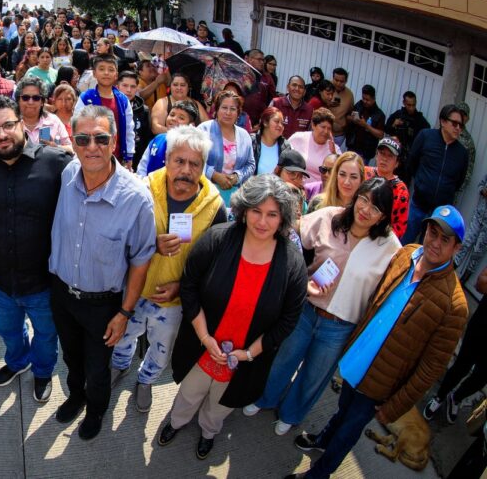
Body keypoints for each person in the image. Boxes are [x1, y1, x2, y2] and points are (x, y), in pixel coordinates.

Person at [289, 206, 469, 479]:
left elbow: (431, 368)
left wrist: (395, 405)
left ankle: (319, 473)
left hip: (382, 383)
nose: (435, 242)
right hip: (358, 359)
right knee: (343, 410)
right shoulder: (407, 254)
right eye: (433, 232)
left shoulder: (455, 305)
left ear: (457, 248)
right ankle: (323, 439)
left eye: (445, 239)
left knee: (349, 430)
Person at [157, 175, 306, 459]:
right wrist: (204, 336)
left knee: (221, 403)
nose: (262, 221)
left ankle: (209, 431)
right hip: (202, 346)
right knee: (189, 392)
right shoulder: (218, 239)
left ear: (283, 218)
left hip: (245, 359)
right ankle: (177, 421)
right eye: (256, 211)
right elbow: (189, 286)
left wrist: (248, 354)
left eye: (272, 214)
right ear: (244, 210)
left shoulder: (292, 264)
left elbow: (288, 321)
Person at [246, 178, 400, 435]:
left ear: (383, 216)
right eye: (363, 199)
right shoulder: (330, 217)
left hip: (340, 326)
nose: (365, 209)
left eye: (375, 208)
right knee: (283, 360)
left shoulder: (390, 247)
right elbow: (292, 233)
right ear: (356, 197)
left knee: (314, 376)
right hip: (306, 310)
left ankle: (291, 414)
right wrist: (298, 278)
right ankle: (264, 398)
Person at [49, 105, 156, 440]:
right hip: (62, 294)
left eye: (100, 138)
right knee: (71, 358)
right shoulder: (68, 174)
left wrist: (124, 313)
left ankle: (95, 410)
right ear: (73, 142)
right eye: (82, 139)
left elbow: (141, 260)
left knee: (97, 370)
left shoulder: (136, 198)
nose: (91, 147)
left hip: (103, 305)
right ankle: (76, 396)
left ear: (114, 142)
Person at [111, 126, 227, 413]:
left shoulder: (215, 207)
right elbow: (119, 236)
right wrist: (152, 244)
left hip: (174, 302)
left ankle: (146, 380)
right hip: (134, 290)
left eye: (194, 164)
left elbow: (213, 263)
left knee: (161, 350)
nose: (186, 170)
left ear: (203, 166)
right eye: (179, 161)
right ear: (167, 159)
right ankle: (120, 366)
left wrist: (182, 286)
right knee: (123, 337)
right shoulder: (143, 189)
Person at [0, 95, 71, 401]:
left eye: (8, 125)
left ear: (22, 123)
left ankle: (42, 371)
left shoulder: (57, 162)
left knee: (46, 335)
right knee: (8, 332)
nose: (1, 134)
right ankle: (17, 362)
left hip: (44, 282)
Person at [424, 266, 487, 423]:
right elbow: (480, 284)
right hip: (483, 325)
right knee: (462, 365)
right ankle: (440, 396)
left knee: (481, 378)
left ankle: (456, 397)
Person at [402, 104, 469, 243]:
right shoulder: (426, 136)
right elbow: (411, 163)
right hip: (418, 204)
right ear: (443, 121)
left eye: (461, 125)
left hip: (438, 215)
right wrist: (421, 183)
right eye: (454, 123)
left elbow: (459, 182)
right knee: (404, 242)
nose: (458, 128)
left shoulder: (462, 153)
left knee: (426, 248)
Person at [74, 54, 135, 166]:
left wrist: (129, 155)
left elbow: (129, 129)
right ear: (94, 73)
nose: (106, 73)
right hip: (91, 154)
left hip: (117, 157)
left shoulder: (123, 100)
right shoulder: (86, 98)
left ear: (116, 75)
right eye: (101, 69)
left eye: (111, 70)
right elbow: (77, 127)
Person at [199, 90, 255, 205]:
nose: (228, 112)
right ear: (217, 109)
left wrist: (237, 177)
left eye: (233, 109)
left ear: (238, 113)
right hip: (205, 193)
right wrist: (213, 175)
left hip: (234, 196)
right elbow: (193, 160)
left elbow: (250, 164)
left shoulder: (244, 135)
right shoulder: (203, 129)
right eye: (224, 108)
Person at [135, 101, 200, 177]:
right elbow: (142, 168)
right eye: (172, 115)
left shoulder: (193, 148)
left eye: (181, 118)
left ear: (191, 125)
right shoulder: (157, 140)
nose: (174, 119)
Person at [365, 137, 409, 239]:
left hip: (379, 237)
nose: (384, 159)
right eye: (382, 153)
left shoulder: (401, 190)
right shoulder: (363, 172)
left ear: (397, 163)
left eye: (390, 156)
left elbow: (399, 227)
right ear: (376, 155)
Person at [16, 77, 73, 151]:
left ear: (42, 102)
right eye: (25, 97)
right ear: (18, 100)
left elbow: (71, 148)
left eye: (36, 98)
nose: (30, 102)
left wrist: (56, 147)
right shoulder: (12, 123)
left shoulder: (53, 121)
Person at [288, 108, 337, 190]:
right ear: (313, 125)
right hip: (295, 189)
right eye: (323, 127)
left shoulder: (334, 149)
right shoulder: (298, 138)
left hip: (319, 192)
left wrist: (334, 153)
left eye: (329, 128)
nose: (326, 131)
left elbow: (338, 173)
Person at [118, 71, 153, 171]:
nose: (129, 90)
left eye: (133, 86)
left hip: (136, 159)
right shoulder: (111, 108)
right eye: (125, 85)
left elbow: (146, 138)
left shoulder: (144, 110)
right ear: (117, 86)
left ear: (137, 88)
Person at [347, 84, 386, 163]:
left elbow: (381, 135)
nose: (364, 101)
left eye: (367, 100)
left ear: (373, 99)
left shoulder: (379, 114)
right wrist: (353, 119)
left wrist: (366, 125)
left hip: (365, 152)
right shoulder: (359, 105)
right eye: (363, 98)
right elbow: (347, 116)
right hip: (352, 146)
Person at [252, 107, 293, 175]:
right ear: (265, 122)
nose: (280, 126)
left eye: (282, 123)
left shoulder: (286, 146)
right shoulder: (252, 142)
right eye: (276, 121)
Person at [243, 49, 276, 127]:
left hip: (259, 120)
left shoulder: (267, 77)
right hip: (241, 118)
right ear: (250, 59)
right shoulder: (242, 74)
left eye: (263, 60)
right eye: (259, 59)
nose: (262, 62)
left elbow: (272, 99)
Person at [327, 68, 355, 146]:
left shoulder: (349, 94)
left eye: (341, 81)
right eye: (336, 80)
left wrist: (345, 123)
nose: (338, 83)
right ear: (332, 78)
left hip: (339, 135)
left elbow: (350, 112)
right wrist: (328, 104)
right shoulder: (325, 88)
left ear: (346, 81)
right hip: (323, 131)